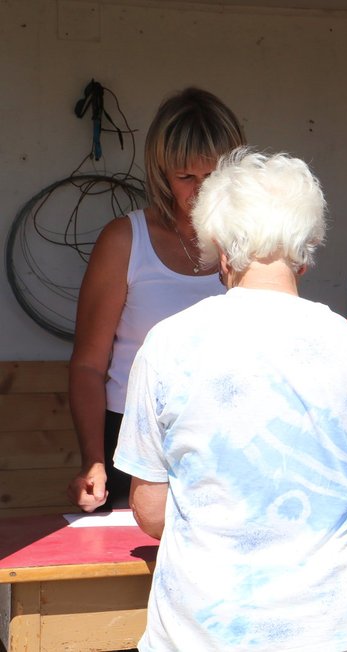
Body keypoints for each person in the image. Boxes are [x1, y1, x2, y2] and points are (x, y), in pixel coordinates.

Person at [114, 148, 347, 651]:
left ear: (222, 250)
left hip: (207, 631)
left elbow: (152, 509)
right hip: (341, 628)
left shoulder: (167, 344)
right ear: (305, 252)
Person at [67, 87, 245, 512]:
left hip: (230, 434)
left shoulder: (252, 242)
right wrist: (93, 461)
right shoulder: (125, 240)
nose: (201, 191)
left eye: (214, 177)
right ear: (161, 173)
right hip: (135, 438)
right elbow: (89, 365)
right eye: (186, 177)